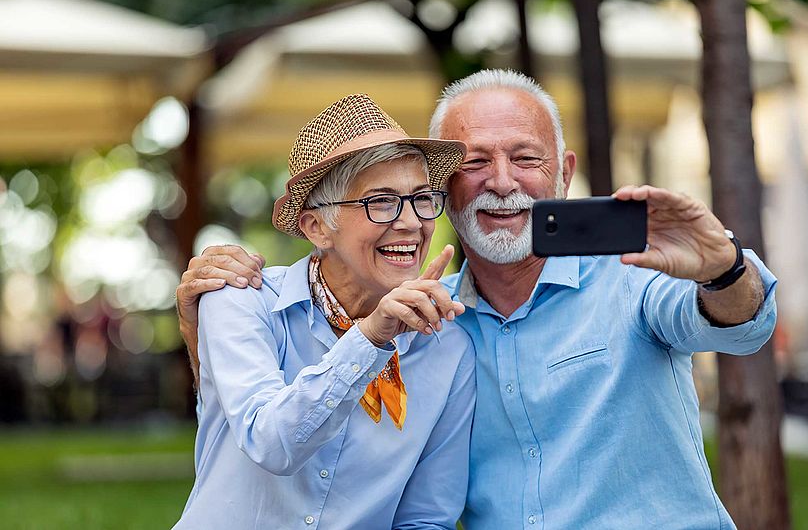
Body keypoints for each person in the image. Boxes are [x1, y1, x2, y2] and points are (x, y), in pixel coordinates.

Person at [177, 70, 777, 530]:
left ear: (564, 174)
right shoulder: (433, 328)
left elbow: (740, 326)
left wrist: (722, 269)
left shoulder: (626, 274)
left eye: (525, 158)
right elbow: (260, 434)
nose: (502, 181)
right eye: (475, 162)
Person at [173, 94, 475, 530]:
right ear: (317, 227)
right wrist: (370, 338)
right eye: (381, 201)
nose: (411, 222)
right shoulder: (239, 297)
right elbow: (270, 441)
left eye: (422, 199)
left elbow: (425, 518)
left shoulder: (449, 349)